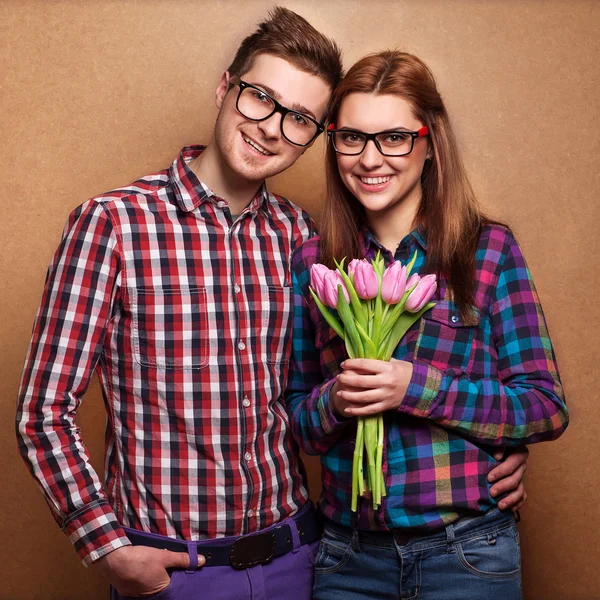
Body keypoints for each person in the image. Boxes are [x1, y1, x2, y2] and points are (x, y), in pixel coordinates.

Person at [15, 9, 528, 599]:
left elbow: (306, 397)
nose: (270, 128)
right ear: (224, 87)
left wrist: (493, 451)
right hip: (177, 572)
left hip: (300, 556)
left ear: (314, 137)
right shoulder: (113, 224)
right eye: (259, 98)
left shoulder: (305, 241)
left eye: (300, 119)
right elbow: (42, 411)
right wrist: (107, 546)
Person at [286, 50, 568, 600]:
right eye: (351, 138)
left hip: (466, 553)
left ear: (429, 142)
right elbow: (297, 422)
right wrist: (337, 401)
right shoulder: (315, 263)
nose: (370, 160)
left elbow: (544, 406)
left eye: (393, 137)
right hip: (347, 557)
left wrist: (412, 388)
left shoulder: (485, 251)